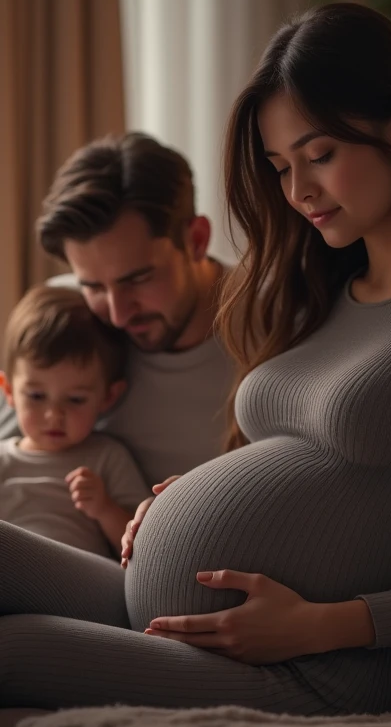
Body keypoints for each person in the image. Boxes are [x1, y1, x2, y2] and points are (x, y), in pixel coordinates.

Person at [0, 2, 391, 718]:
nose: (299, 191)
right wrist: (180, 496)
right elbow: (305, 470)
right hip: (164, 607)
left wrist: (320, 624)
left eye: (321, 155)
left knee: (15, 649)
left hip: (306, 665)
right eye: (280, 167)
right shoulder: (319, 290)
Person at [0, 133, 236, 485]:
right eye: (92, 285)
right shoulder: (66, 317)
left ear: (197, 240)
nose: (117, 314)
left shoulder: (277, 326)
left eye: (137, 279)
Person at [0, 286, 149, 556]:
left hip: (83, 579)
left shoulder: (106, 456)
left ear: (108, 397)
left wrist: (105, 508)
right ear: (8, 390)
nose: (53, 415)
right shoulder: (3, 460)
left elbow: (140, 545)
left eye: (76, 400)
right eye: (36, 396)